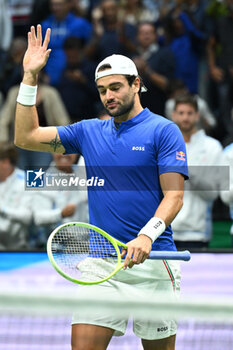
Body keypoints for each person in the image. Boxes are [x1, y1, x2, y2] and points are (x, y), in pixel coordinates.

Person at [14, 25, 188, 350]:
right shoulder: (87, 132)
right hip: (102, 263)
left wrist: (146, 235)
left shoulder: (163, 131)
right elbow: (25, 137)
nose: (109, 96)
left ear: (137, 84)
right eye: (102, 89)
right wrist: (29, 77)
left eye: (116, 87)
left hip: (153, 262)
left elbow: (174, 196)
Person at [171, 94, 223, 249]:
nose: (185, 118)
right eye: (181, 113)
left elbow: (213, 193)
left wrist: (187, 172)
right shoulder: (164, 145)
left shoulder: (213, 147)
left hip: (198, 232)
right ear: (173, 115)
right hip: (166, 230)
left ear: (197, 115)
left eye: (189, 113)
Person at [31, 153, 88, 248]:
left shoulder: (84, 174)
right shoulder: (39, 179)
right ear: (51, 151)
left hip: (87, 245)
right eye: (59, 150)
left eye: (69, 150)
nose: (64, 154)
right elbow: (38, 217)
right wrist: (61, 214)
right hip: (55, 248)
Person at [0, 142, 32, 250]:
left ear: (5, 162)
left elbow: (27, 217)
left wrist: (3, 210)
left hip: (19, 249)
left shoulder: (27, 181)